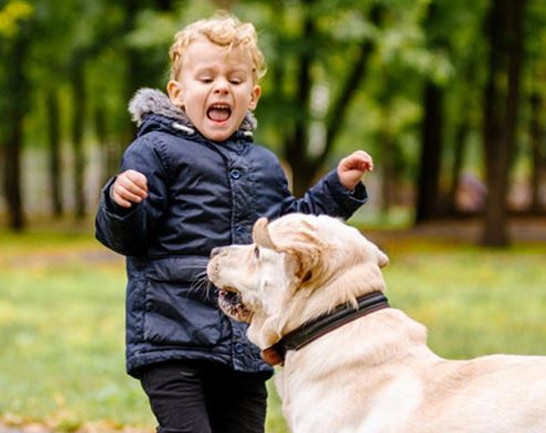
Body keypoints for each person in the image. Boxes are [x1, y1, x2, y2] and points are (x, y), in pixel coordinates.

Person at [95, 12, 374, 433]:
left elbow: (288, 232)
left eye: (235, 80)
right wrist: (121, 203)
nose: (221, 87)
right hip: (173, 337)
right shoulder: (154, 151)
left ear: (253, 95)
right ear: (177, 92)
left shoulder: (263, 165)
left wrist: (337, 188)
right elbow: (130, 238)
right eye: (206, 79)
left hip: (244, 341)